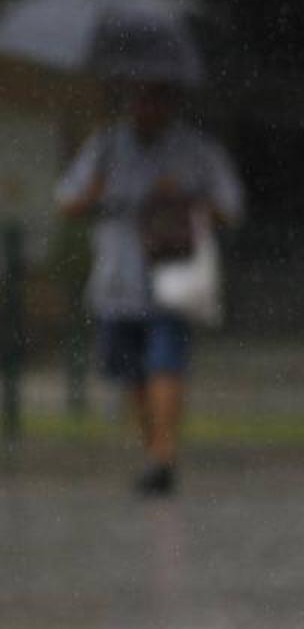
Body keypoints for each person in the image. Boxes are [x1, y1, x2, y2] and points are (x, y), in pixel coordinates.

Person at [56, 79, 244, 497]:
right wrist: (95, 193)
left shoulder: (195, 151)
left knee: (165, 364)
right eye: (139, 98)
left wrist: (184, 201)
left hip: (170, 280)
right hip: (116, 280)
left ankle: (164, 456)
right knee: (131, 374)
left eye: (156, 98)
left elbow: (229, 207)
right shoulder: (105, 147)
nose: (147, 108)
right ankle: (154, 453)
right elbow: (66, 201)